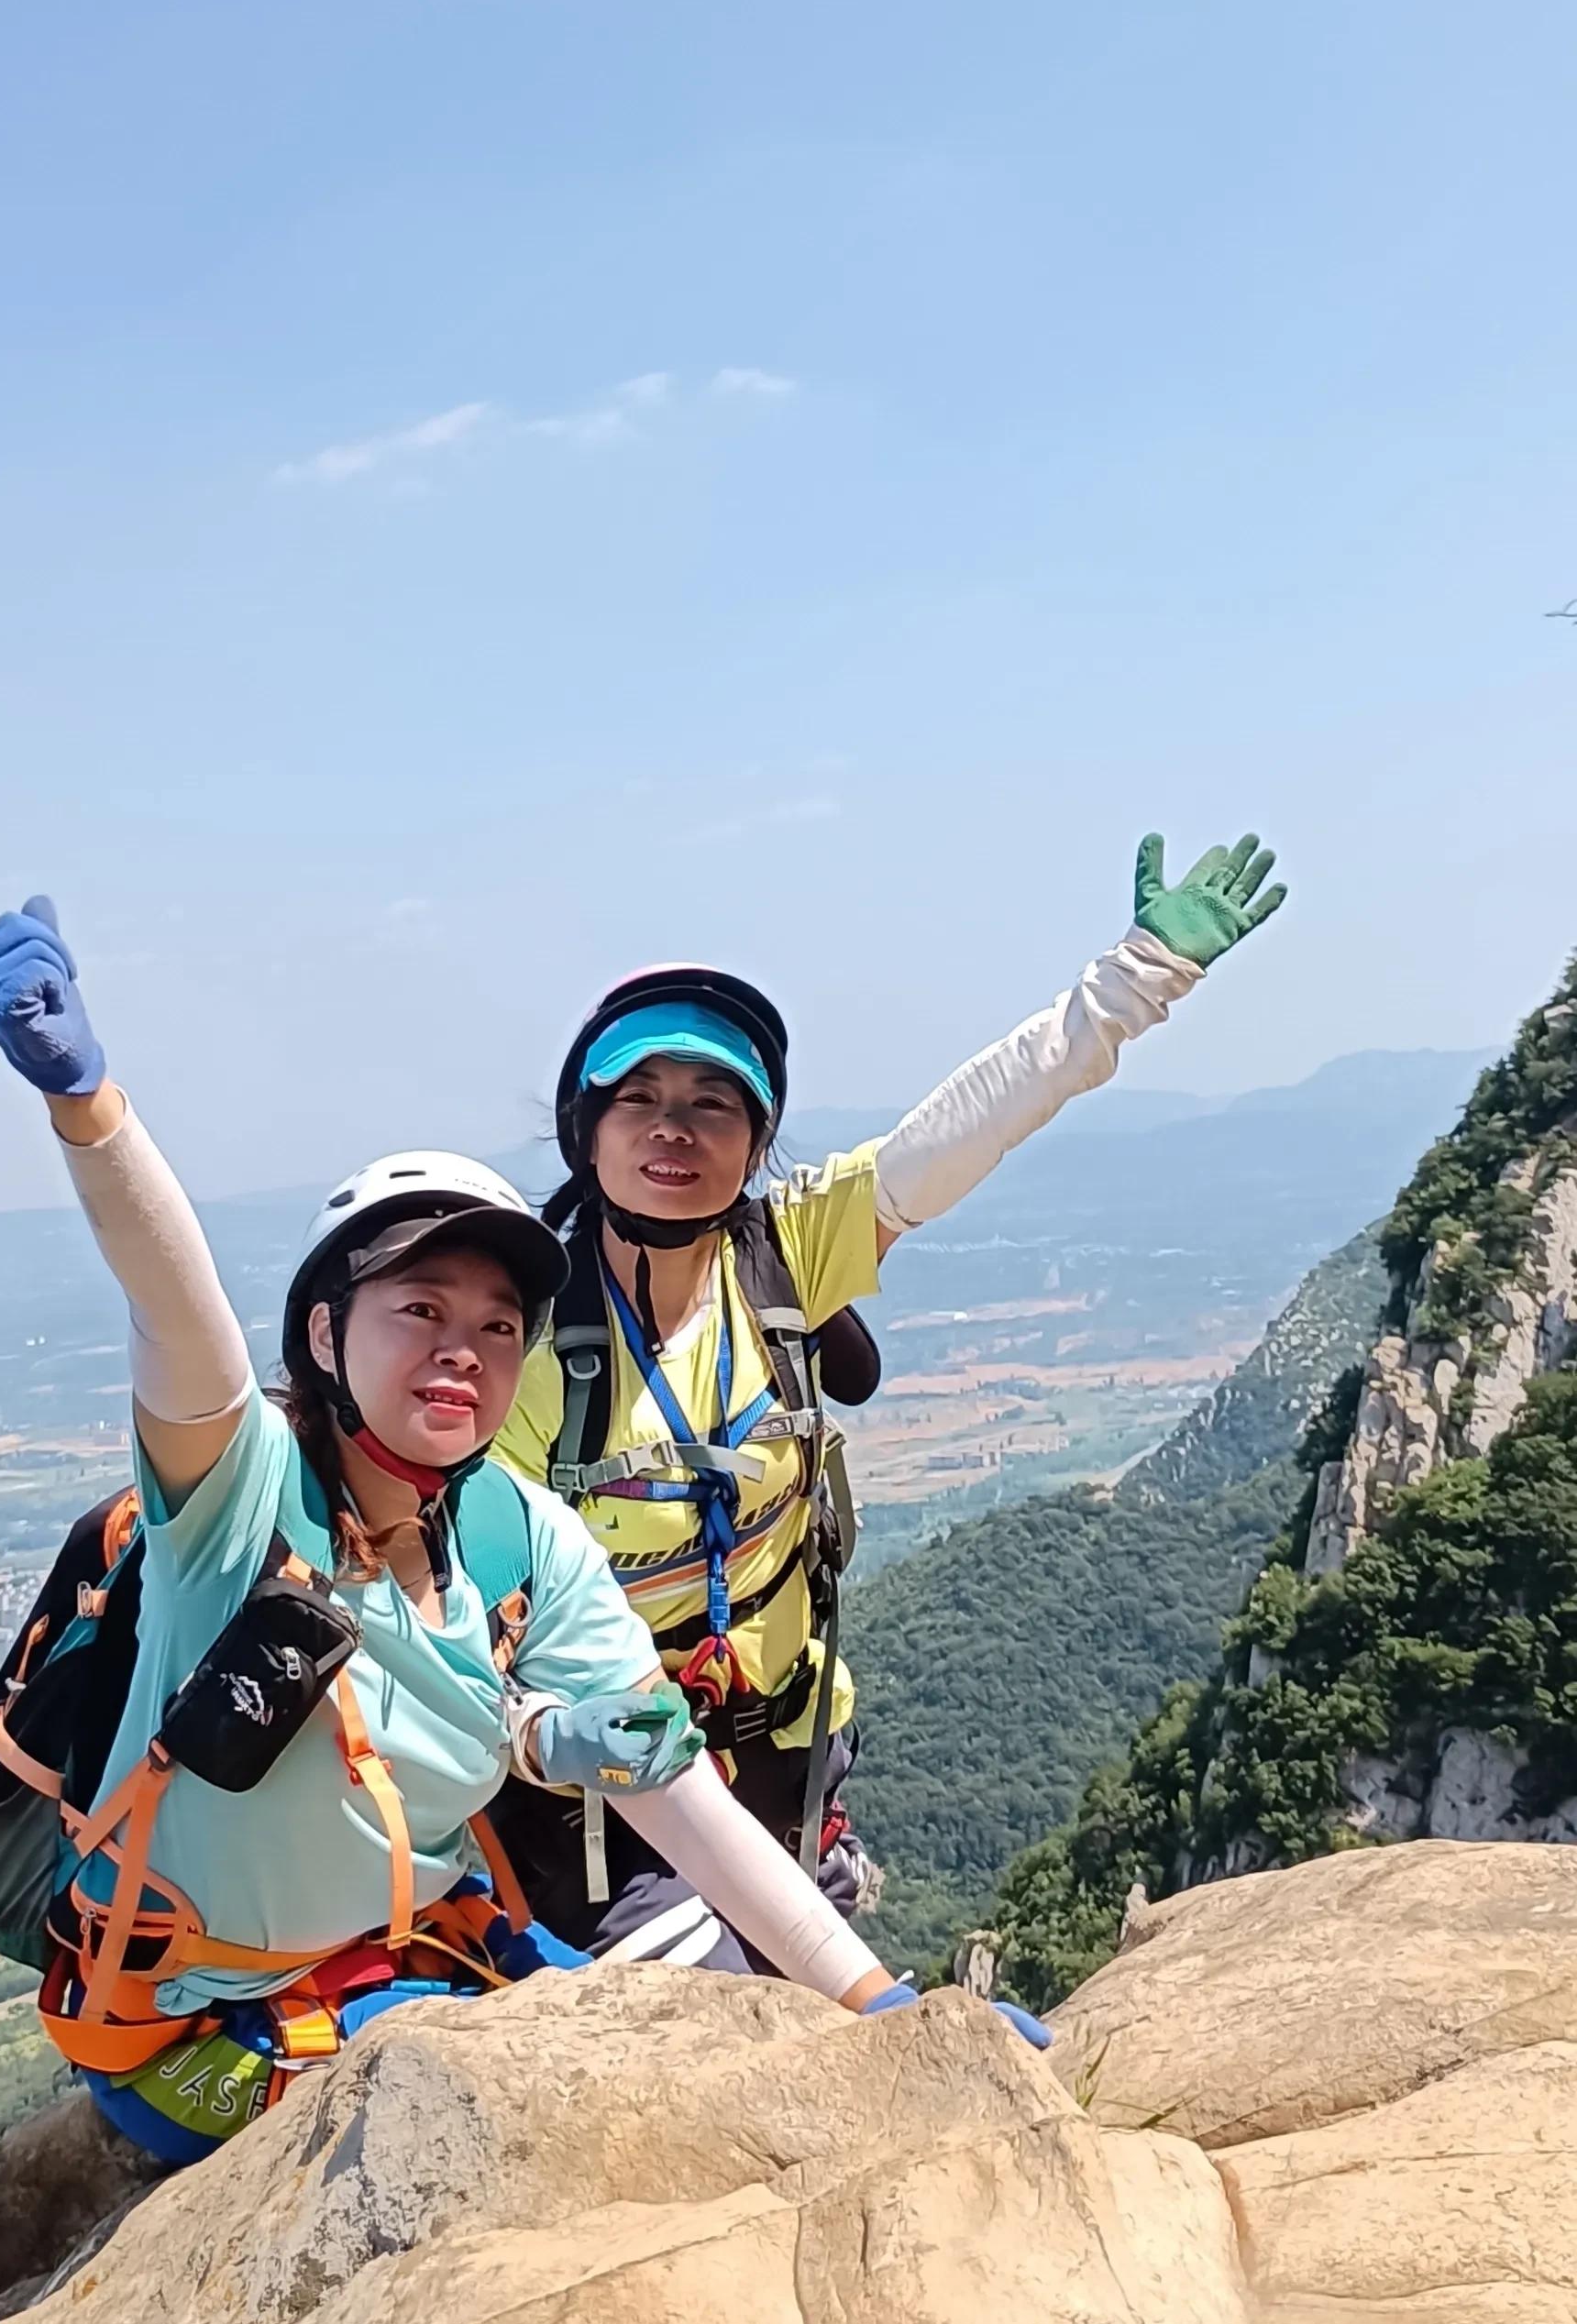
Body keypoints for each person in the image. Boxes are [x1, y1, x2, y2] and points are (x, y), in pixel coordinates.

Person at [0, 892, 1001, 2170]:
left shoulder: (519, 1537)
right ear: (326, 1333)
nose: (465, 1348)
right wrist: (90, 1109)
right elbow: (179, 1320)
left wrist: (876, 2007)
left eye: (499, 1324)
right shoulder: (240, 1500)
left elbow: (676, 1793)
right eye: (418, 1306)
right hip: (203, 2029)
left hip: (423, 1967)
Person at [491, 831, 1286, 1966]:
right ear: (588, 1128)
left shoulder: (785, 1255)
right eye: (641, 1098)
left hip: (789, 1743)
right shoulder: (515, 1330)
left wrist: (1133, 984)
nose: (674, 1127)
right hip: (603, 1790)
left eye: (714, 1104)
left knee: (799, 1996)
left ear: (758, 1140)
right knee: (740, 2027)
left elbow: (962, 1130)